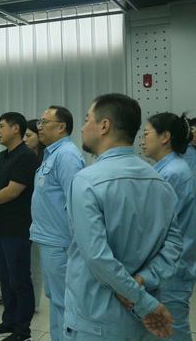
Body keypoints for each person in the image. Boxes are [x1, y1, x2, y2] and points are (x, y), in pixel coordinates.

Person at [64, 93, 183, 340]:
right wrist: (142, 281)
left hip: (96, 320)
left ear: (104, 126)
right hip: (141, 323)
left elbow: (97, 256)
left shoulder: (86, 181)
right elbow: (173, 246)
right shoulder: (160, 183)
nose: (83, 128)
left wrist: (140, 300)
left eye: (87, 119)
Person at [30, 106, 85, 341]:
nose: (39, 127)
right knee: (56, 299)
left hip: (60, 242)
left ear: (61, 127)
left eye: (44, 122)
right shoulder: (52, 153)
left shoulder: (67, 156)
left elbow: (75, 203)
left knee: (64, 302)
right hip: (49, 238)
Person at [0, 113, 38, 341]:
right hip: (0, 227)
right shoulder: (2, 155)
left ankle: (23, 330)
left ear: (15, 129)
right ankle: (9, 321)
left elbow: (13, 191)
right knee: (3, 276)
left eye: (1, 126)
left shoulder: (26, 156)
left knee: (19, 279)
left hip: (18, 228)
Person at [142, 112, 196, 340]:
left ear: (165, 137)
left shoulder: (173, 173)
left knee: (172, 330)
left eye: (146, 134)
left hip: (172, 268)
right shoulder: (168, 168)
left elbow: (157, 226)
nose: (142, 140)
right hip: (171, 265)